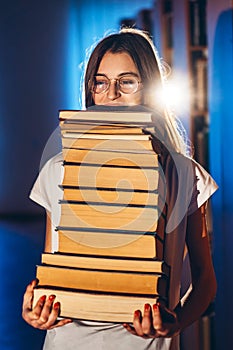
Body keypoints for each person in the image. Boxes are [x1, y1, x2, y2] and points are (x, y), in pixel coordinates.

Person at [22, 28, 217, 350]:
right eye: (100, 82)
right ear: (91, 91)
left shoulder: (185, 174)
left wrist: (175, 324)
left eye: (127, 82)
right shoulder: (58, 168)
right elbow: (54, 267)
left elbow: (205, 281)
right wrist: (35, 311)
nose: (111, 94)